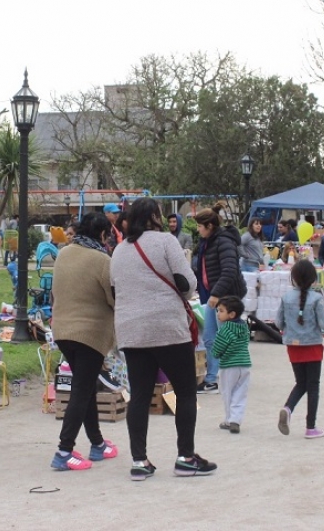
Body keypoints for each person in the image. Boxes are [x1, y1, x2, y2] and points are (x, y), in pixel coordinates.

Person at [109, 197, 216, 480]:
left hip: (132, 332)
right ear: (155, 216)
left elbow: (114, 288)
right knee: (185, 392)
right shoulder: (167, 242)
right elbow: (188, 283)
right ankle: (186, 457)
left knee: (140, 396)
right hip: (167, 327)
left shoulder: (119, 250)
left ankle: (139, 461)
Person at [49, 211, 118, 471]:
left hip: (64, 331)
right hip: (90, 334)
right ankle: (64, 450)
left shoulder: (64, 253)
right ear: (102, 234)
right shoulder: (102, 260)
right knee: (81, 390)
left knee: (86, 387)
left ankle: (97, 443)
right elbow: (114, 298)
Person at [275, 260, 324, 439]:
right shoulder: (316, 299)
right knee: (313, 386)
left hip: (293, 346)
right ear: (313, 279)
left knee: (301, 383)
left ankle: (288, 407)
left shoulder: (286, 297)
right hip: (313, 346)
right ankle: (310, 426)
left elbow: (278, 323)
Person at [192, 208, 244, 394]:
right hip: (211, 296)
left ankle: (232, 377)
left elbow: (229, 271)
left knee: (225, 339)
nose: (198, 229)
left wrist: (216, 294)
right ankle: (212, 379)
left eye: (200, 226)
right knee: (209, 338)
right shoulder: (206, 242)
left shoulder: (224, 242)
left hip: (226, 298)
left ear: (210, 226)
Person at [211, 295, 251, 434]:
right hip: (244, 364)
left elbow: (218, 348)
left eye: (221, 311)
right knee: (240, 392)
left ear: (231, 314)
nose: (218, 314)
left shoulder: (226, 328)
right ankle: (236, 419)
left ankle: (229, 420)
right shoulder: (244, 326)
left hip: (229, 365)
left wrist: (215, 353)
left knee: (227, 392)